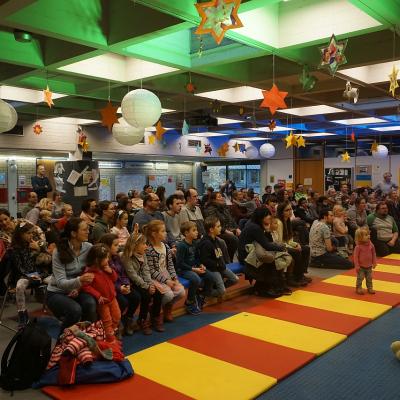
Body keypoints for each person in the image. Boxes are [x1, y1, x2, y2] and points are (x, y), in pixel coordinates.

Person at [46, 218, 97, 334]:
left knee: (91, 303)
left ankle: (85, 338)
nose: (88, 232)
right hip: (56, 292)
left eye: (88, 229)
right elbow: (60, 282)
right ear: (73, 233)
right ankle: (62, 341)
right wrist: (79, 280)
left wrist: (78, 287)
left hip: (78, 289)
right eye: (84, 230)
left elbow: (93, 268)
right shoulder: (58, 252)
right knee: (75, 310)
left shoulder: (88, 247)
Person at [121, 225, 163, 334]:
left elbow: (146, 271)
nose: (146, 246)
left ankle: (155, 317)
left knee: (158, 294)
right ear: (135, 246)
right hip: (132, 282)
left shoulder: (143, 255)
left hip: (144, 281)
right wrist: (147, 286)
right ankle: (142, 319)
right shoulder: (126, 257)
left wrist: (150, 284)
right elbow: (133, 275)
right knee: (145, 295)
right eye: (144, 244)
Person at [238, 208, 286, 297]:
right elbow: (266, 245)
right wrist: (283, 247)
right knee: (271, 260)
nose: (269, 217)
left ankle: (274, 285)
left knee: (273, 257)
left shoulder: (256, 224)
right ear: (260, 216)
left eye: (269, 214)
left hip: (252, 252)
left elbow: (266, 242)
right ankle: (265, 289)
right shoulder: (255, 227)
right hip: (246, 256)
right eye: (266, 215)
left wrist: (267, 230)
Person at [144, 220, 185, 323]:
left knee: (181, 292)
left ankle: (167, 308)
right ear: (154, 234)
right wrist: (166, 281)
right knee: (168, 295)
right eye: (162, 231)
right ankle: (154, 310)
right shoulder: (149, 249)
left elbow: (170, 264)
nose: (165, 233)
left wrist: (174, 277)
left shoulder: (166, 247)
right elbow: (151, 270)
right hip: (155, 277)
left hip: (166, 274)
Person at [100, 234, 140, 336]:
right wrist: (119, 288)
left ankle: (128, 319)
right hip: (112, 289)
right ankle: (117, 323)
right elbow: (106, 280)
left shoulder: (117, 257)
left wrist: (126, 284)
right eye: (115, 245)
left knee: (136, 297)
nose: (118, 247)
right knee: (123, 301)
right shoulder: (103, 261)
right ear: (107, 247)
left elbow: (123, 273)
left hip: (122, 286)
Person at [8, 221, 46, 328]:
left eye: (32, 233)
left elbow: (45, 260)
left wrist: (38, 249)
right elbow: (19, 268)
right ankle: (22, 314)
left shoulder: (34, 244)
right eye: (28, 233)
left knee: (53, 280)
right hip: (21, 276)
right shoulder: (14, 249)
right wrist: (31, 275)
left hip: (38, 274)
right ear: (21, 234)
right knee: (20, 285)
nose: (31, 236)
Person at [81, 243, 121, 342]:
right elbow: (86, 287)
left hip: (112, 298)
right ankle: (110, 339)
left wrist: (111, 271)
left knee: (117, 316)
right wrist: (98, 296)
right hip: (103, 302)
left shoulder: (106, 268)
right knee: (107, 321)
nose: (108, 260)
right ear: (97, 260)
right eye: (106, 258)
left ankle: (113, 330)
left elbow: (115, 279)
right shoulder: (89, 273)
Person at [197, 217, 239, 298]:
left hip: (220, 266)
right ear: (211, 229)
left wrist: (221, 264)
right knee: (222, 291)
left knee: (235, 279)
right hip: (212, 269)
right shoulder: (205, 243)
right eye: (218, 226)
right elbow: (204, 260)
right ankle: (203, 293)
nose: (221, 228)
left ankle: (215, 287)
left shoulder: (217, 239)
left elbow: (219, 255)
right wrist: (217, 265)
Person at [276, 202, 311, 286]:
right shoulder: (279, 222)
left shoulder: (287, 221)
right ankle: (293, 277)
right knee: (296, 252)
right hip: (278, 247)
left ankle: (301, 274)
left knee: (306, 248)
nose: (290, 211)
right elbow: (280, 242)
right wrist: (293, 247)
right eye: (287, 210)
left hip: (285, 245)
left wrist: (296, 244)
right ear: (281, 212)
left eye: (290, 209)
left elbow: (289, 240)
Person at [204, 192, 240, 262]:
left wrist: (237, 228)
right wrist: (225, 231)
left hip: (229, 229)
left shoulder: (223, 208)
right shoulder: (210, 209)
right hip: (218, 231)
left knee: (242, 234)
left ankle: (240, 260)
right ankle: (228, 260)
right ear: (213, 200)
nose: (222, 198)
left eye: (222, 196)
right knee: (233, 239)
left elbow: (231, 219)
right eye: (219, 197)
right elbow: (213, 223)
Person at [354, 227, 376, 295]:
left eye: (368, 234)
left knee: (369, 278)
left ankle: (370, 287)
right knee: (360, 278)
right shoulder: (358, 247)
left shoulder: (371, 245)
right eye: (366, 235)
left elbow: (373, 253)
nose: (368, 236)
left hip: (369, 266)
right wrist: (357, 266)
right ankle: (358, 287)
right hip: (361, 267)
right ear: (360, 238)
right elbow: (355, 257)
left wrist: (374, 262)